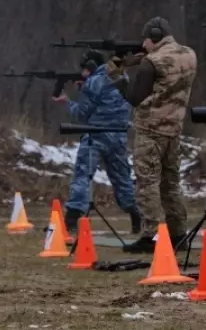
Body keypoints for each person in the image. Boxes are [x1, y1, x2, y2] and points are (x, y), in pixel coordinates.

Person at [107, 17, 198, 253]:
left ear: (154, 36)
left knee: (147, 184)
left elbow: (135, 97)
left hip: (150, 131)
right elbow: (167, 79)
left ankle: (150, 236)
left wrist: (118, 75)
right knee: (171, 185)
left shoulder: (151, 62)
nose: (143, 44)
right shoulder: (189, 54)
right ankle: (179, 235)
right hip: (174, 130)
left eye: (145, 39)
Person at [52, 50, 140, 236]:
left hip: (96, 135)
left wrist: (67, 102)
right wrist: (84, 90)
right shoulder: (122, 75)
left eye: (84, 69)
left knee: (83, 176)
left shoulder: (93, 82)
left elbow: (82, 114)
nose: (82, 73)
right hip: (119, 135)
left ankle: (72, 219)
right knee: (122, 178)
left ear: (91, 67)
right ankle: (136, 215)